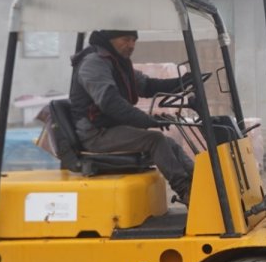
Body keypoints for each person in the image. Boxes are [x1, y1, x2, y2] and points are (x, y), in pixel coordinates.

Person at [69, 29, 195, 205]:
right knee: (155, 140)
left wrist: (184, 82)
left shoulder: (118, 63)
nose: (131, 45)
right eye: (126, 39)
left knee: (169, 144)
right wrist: (147, 120)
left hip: (110, 128)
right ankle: (187, 192)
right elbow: (110, 103)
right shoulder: (94, 63)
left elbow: (148, 86)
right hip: (96, 133)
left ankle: (202, 183)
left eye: (134, 40)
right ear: (110, 39)